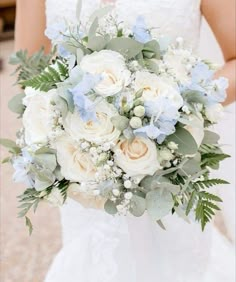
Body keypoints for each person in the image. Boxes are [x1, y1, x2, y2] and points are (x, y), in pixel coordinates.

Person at [15, 1, 235, 281]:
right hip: (86, 169)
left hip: (171, 166)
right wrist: (76, 128)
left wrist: (172, 112)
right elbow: (29, 74)